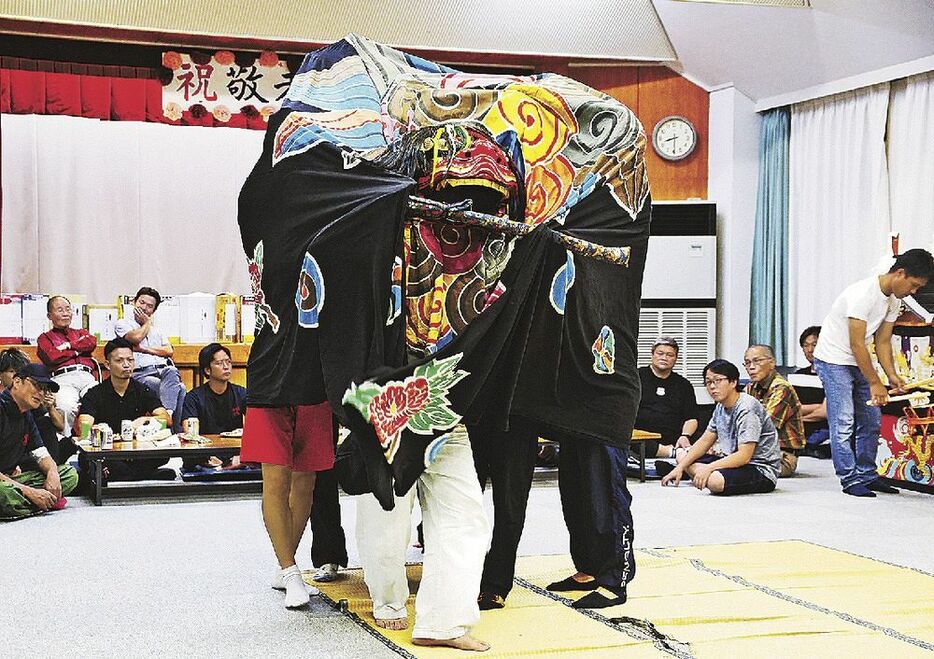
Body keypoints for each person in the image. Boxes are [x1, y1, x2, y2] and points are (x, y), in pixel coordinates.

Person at [356, 424, 491, 651]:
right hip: (384, 408)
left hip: (449, 413)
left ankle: (444, 621)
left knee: (463, 513)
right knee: (386, 509)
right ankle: (389, 601)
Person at [813, 249, 934, 497]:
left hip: (859, 360)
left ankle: (868, 475)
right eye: (913, 285)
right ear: (900, 273)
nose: (913, 292)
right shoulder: (862, 295)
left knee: (871, 419)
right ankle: (849, 479)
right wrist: (875, 382)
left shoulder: (893, 299)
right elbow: (857, 344)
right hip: (834, 359)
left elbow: (883, 342)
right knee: (844, 421)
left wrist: (892, 376)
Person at [241, 401, 334, 609]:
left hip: (313, 386)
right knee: (276, 478)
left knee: (306, 479)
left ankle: (283, 568)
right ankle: (290, 571)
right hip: (269, 385)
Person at [658, 359, 781, 495]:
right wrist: (680, 467)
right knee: (682, 455)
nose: (712, 386)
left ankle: (699, 475)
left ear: (733, 382)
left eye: (718, 380)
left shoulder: (747, 408)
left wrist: (708, 468)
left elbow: (744, 456)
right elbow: (705, 440)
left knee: (714, 482)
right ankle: (697, 474)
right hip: (731, 460)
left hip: (758, 469)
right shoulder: (721, 406)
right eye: (708, 382)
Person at [77, 337, 173, 482]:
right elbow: (83, 427)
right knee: (90, 459)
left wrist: (146, 420)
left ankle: (122, 475)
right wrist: (97, 430)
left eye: (130, 360)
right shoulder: (95, 393)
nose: (126, 365)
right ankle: (145, 475)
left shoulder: (142, 390)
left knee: (163, 455)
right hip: (108, 451)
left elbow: (167, 420)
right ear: (108, 365)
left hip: (134, 450)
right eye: (120, 361)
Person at [470, 418, 539, 610]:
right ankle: (459, 576)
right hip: (473, 413)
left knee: (511, 505)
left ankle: (496, 583)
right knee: (462, 503)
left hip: (519, 415)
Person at [0, 363, 79, 520]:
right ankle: (39, 503)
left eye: (45, 389)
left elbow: (40, 452)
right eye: (37, 385)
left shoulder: (26, 414)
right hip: (4, 484)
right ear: (16, 382)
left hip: (10, 479)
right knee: (5, 494)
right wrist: (30, 492)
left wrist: (52, 473)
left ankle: (24, 505)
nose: (41, 393)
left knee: (69, 475)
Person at [113, 287, 185, 429]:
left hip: (162, 370)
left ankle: (167, 415)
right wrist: (146, 323)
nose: (144, 308)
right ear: (134, 302)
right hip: (141, 374)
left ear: (154, 310)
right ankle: (171, 429)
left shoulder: (157, 330)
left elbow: (169, 350)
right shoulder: (122, 324)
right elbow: (136, 337)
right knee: (180, 389)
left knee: (171, 371)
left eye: (149, 306)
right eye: (141, 302)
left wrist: (145, 349)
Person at [37, 295, 98, 438]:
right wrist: (78, 350)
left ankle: (97, 445)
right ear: (49, 315)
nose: (65, 313)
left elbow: (91, 342)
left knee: (102, 401)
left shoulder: (81, 332)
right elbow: (52, 356)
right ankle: (65, 446)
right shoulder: (44, 338)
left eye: (68, 309)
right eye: (60, 310)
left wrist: (68, 346)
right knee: (65, 407)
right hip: (63, 378)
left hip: (87, 377)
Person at [179, 343, 247, 470]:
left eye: (228, 362)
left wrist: (241, 455)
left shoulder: (241, 393)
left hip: (234, 454)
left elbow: (256, 427)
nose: (226, 367)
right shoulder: (194, 397)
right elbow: (189, 434)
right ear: (207, 370)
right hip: (205, 455)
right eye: (219, 363)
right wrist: (207, 457)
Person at [743, 344, 805, 477]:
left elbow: (764, 426)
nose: (751, 367)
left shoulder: (781, 388)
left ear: (772, 363)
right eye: (747, 363)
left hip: (781, 456)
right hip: (755, 449)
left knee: (726, 469)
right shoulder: (750, 387)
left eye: (757, 361)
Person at [0, 348, 69, 462]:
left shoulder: (30, 399)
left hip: (29, 448)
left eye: (20, 371)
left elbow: (60, 427)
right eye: (12, 371)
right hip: (9, 457)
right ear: (1, 374)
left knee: (46, 424)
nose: (15, 375)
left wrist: (51, 407)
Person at [637, 336, 698, 459]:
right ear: (652, 354)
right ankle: (670, 453)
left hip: (674, 440)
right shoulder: (636, 377)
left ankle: (675, 452)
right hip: (641, 439)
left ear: (676, 358)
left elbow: (691, 418)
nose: (664, 358)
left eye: (670, 355)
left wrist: (685, 436)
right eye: (660, 353)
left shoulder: (683, 384)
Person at [795, 326, 830, 452]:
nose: (810, 350)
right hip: (799, 428)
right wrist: (817, 407)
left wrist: (796, 420)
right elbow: (789, 408)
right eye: (805, 345)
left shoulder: (834, 375)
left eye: (815, 344)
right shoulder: (797, 375)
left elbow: (825, 412)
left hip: (824, 429)